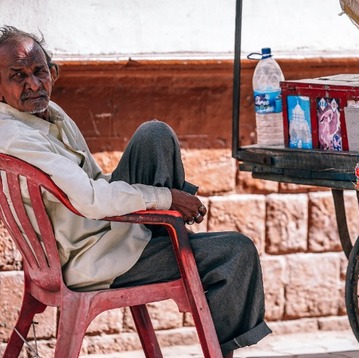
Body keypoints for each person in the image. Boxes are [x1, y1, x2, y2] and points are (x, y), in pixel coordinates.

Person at [0, 26, 271, 357]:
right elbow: (91, 199)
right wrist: (167, 198)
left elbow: (96, 180)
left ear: (52, 73)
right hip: (95, 261)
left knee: (154, 135)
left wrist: (156, 198)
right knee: (235, 251)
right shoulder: (16, 136)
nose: (33, 83)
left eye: (39, 71)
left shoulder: (50, 115)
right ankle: (220, 347)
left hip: (106, 235)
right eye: (18, 75)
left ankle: (165, 233)